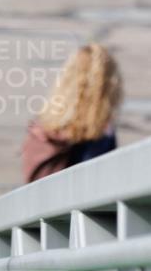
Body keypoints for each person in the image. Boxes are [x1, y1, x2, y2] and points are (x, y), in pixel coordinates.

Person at [22, 43, 122, 183]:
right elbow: (97, 181)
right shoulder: (97, 135)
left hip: (40, 195)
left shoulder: (46, 126)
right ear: (108, 85)